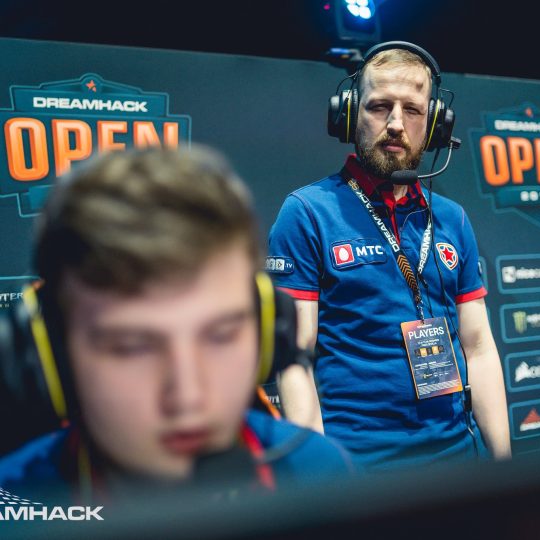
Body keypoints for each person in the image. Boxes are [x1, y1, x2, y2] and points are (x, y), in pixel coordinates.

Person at [0, 145, 352, 506]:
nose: (188, 397)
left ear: (267, 332)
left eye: (221, 336)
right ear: (53, 356)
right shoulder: (12, 505)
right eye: (132, 348)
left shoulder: (319, 476)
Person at [267, 41, 511, 471]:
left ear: (434, 125)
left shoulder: (451, 218)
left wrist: (504, 465)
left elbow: (478, 347)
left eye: (412, 110)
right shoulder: (306, 212)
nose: (396, 124)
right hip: (361, 472)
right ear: (349, 115)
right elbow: (295, 363)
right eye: (380, 106)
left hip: (460, 461)